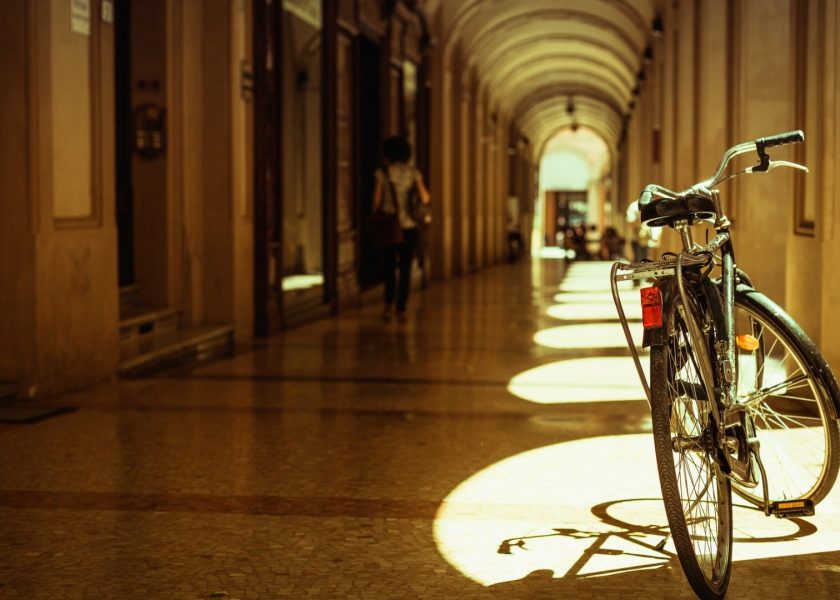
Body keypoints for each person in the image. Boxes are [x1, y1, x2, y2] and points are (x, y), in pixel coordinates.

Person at [372, 135, 431, 323]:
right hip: (409, 226)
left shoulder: (383, 173)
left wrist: (374, 215)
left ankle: (388, 306)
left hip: (390, 225)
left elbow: (376, 201)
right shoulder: (413, 173)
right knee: (405, 268)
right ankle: (401, 309)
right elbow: (425, 197)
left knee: (388, 267)